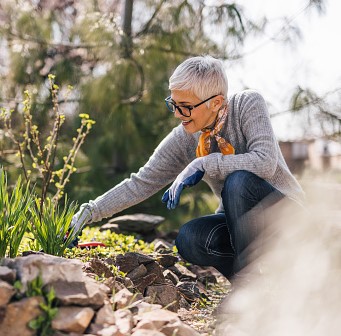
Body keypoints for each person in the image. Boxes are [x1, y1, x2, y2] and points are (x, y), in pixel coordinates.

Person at [70, 55, 304, 278]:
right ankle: (254, 290)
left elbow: (264, 162)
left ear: (216, 102)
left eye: (186, 106)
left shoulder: (247, 104)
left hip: (288, 219)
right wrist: (90, 212)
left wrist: (205, 163)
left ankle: (249, 284)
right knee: (190, 238)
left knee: (239, 180)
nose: (178, 114)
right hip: (242, 231)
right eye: (173, 104)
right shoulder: (185, 137)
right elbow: (141, 182)